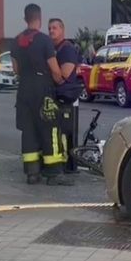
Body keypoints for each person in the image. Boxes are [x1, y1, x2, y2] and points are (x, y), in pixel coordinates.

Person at [11, 4, 70, 186]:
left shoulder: (16, 40)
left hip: (24, 90)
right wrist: (61, 81)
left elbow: (16, 69)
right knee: (50, 129)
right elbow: (54, 69)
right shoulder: (44, 40)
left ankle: (32, 173)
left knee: (28, 131)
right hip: (42, 89)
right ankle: (53, 173)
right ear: (40, 18)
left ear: (25, 18)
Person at [48, 18, 82, 181]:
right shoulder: (53, 48)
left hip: (65, 98)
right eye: (49, 28)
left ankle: (67, 165)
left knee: (64, 133)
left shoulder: (66, 49)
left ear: (62, 29)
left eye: (55, 28)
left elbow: (64, 75)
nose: (51, 31)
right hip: (56, 97)